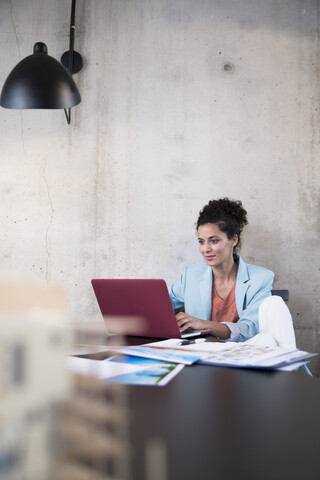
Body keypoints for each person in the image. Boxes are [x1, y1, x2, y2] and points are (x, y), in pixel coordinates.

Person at [169, 198, 285, 343]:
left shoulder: (261, 278)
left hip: (243, 355)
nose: (206, 249)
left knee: (268, 335)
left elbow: (249, 329)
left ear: (233, 240)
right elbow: (162, 306)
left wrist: (204, 325)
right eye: (201, 242)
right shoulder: (191, 276)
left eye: (214, 241)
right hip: (201, 355)